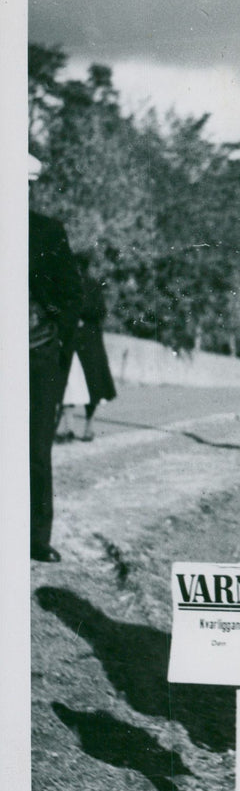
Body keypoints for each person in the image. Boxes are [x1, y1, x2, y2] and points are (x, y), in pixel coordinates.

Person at [28, 154, 82, 562]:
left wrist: (52, 337)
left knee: (36, 447)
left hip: (36, 354)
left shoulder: (46, 232)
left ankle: (36, 538)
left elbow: (71, 294)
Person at [59, 251, 117, 441]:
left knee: (84, 385)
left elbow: (99, 310)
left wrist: (79, 315)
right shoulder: (73, 284)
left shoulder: (89, 285)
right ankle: (71, 427)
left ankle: (86, 427)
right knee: (70, 383)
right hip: (76, 340)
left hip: (86, 340)